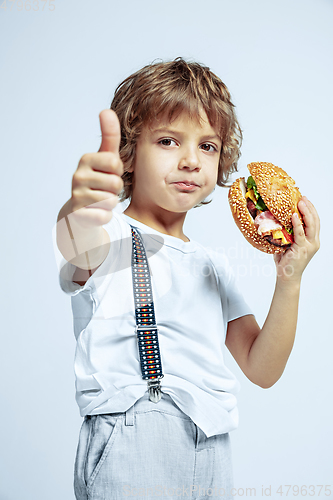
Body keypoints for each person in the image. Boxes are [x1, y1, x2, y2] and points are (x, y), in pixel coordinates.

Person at [56, 58, 320, 500]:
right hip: (132, 437)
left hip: (212, 444)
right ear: (126, 153)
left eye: (208, 147)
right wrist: (82, 205)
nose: (191, 161)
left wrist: (290, 277)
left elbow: (263, 368)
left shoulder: (214, 265)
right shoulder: (108, 236)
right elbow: (77, 245)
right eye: (167, 140)